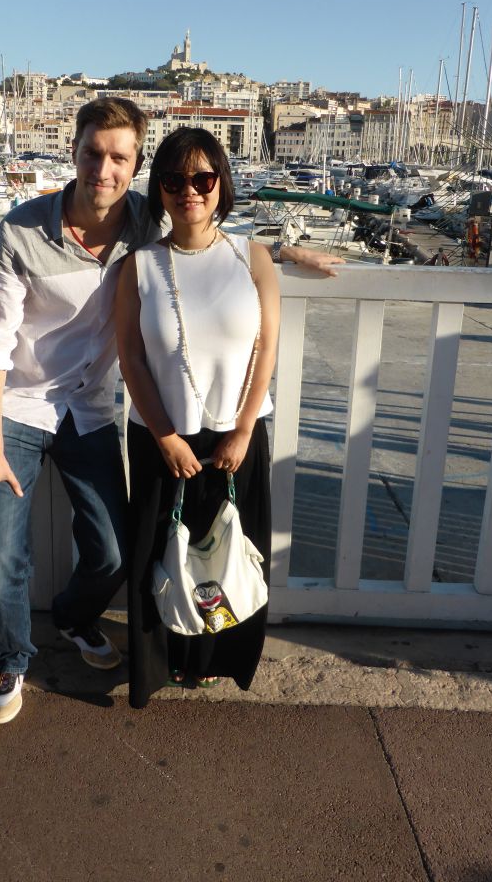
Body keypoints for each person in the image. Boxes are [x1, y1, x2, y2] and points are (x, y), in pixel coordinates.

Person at [0, 98, 343, 725]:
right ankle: (10, 658)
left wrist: (285, 251)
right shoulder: (22, 231)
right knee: (3, 547)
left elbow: (206, 235)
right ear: (75, 151)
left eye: (119, 157)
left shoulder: (141, 220)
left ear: (133, 163)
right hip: (18, 407)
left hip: (87, 409)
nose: (104, 169)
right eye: (94, 152)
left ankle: (74, 616)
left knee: (114, 554)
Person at [115, 127, 280, 709]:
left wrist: (243, 428)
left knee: (230, 553)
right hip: (164, 434)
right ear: (159, 188)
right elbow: (130, 356)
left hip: (237, 435)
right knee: (161, 554)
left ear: (221, 184)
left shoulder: (253, 257)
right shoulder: (140, 266)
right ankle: (165, 663)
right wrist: (164, 436)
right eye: (175, 179)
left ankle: (218, 659)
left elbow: (266, 350)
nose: (191, 190)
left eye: (203, 178)